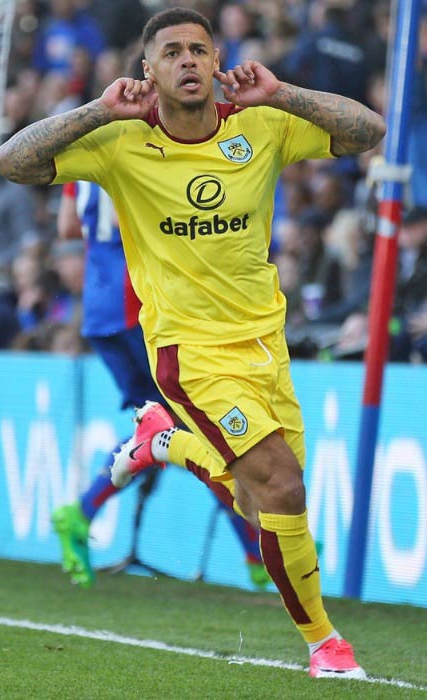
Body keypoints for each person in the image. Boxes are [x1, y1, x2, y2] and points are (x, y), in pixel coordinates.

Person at [0, 6, 386, 679]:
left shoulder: (259, 124)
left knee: (256, 501)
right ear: (148, 70)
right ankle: (326, 644)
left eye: (198, 50)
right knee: (283, 488)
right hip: (189, 353)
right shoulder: (120, 142)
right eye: (170, 51)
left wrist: (283, 92)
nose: (187, 61)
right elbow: (12, 162)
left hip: (267, 343)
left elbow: (369, 133)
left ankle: (161, 440)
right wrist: (96, 109)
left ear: (215, 61)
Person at [52, 180, 269, 589]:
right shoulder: (133, 151)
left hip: (99, 311)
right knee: (193, 428)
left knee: (164, 426)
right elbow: (131, 217)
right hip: (137, 302)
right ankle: (255, 547)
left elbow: (68, 228)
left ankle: (253, 548)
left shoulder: (79, 160)